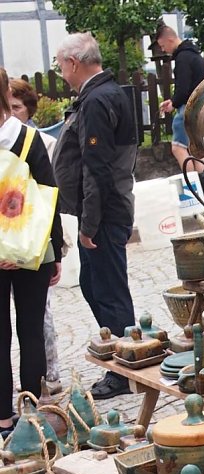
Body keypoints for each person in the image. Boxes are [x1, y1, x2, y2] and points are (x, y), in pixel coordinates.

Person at [52, 32, 137, 400]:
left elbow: (97, 168)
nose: (61, 74)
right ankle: (124, 358)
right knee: (95, 285)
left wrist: (89, 224)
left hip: (104, 213)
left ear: (73, 62)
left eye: (60, 67)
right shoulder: (104, 94)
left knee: (108, 290)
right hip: (105, 210)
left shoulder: (98, 99)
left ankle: (124, 369)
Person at [0, 68, 62, 439]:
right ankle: (33, 409)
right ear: (6, 91)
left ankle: (2, 421)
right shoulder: (27, 138)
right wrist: (53, 253)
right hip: (29, 248)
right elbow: (48, 198)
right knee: (31, 329)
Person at [156, 22, 204, 171]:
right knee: (197, 151)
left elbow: (183, 88)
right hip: (200, 109)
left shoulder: (182, 58)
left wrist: (175, 102)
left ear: (169, 40)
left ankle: (192, 189)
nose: (162, 49)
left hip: (187, 110)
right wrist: (173, 101)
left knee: (178, 148)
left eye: (162, 45)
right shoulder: (194, 55)